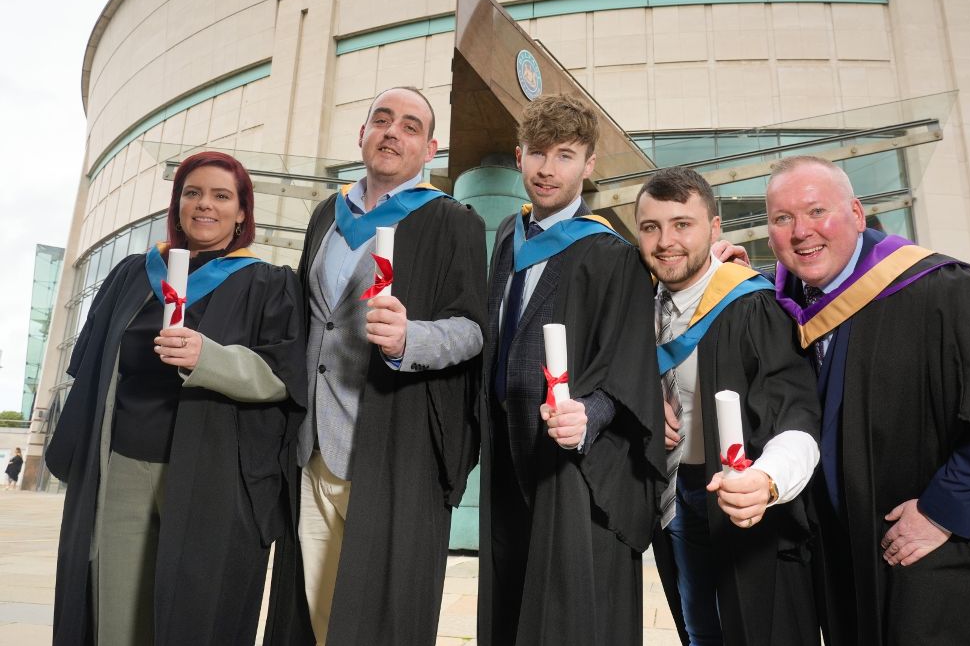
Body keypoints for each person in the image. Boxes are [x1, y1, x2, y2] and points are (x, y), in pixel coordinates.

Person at [764, 154, 970, 645]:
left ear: (857, 215)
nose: (801, 231)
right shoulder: (790, 313)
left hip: (937, 556)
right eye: (782, 219)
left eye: (817, 211)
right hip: (847, 567)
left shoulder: (944, 292)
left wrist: (941, 512)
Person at [46, 151, 307, 646]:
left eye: (221, 196)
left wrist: (207, 357)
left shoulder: (268, 283)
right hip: (122, 465)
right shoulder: (132, 275)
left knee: (196, 615)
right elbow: (91, 367)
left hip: (212, 474)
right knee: (116, 614)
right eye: (193, 192)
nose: (204, 205)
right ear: (178, 203)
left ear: (243, 212)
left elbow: (283, 377)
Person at [275, 86, 487, 646]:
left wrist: (407, 338)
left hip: (392, 449)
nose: (393, 132)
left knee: (378, 617)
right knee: (319, 611)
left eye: (410, 126)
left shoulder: (452, 222)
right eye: (382, 120)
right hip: (315, 447)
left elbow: (471, 330)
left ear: (430, 149)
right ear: (362, 134)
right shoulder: (328, 214)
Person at [477, 93, 666, 646]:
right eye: (537, 153)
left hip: (570, 455)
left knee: (566, 609)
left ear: (588, 165)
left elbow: (629, 360)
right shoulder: (507, 240)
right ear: (518, 157)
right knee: (510, 595)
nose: (546, 169)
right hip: (506, 443)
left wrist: (592, 416)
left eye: (564, 155)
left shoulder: (611, 253)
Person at [635, 167, 821, 646]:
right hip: (674, 499)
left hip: (743, 499)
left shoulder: (749, 303)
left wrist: (769, 479)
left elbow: (795, 412)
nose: (665, 241)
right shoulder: (640, 303)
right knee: (699, 633)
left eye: (682, 224)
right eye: (650, 227)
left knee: (760, 630)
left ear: (716, 228)